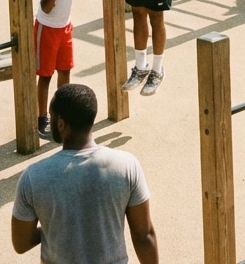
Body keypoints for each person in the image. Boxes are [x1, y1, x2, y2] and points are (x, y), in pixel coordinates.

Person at [11, 83, 158, 263]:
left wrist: (54, 225)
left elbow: (21, 243)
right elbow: (145, 237)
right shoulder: (127, 166)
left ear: (61, 123)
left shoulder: (33, 176)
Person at [32, 0, 97, 138]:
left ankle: (64, 111)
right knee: (45, 75)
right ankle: (42, 116)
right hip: (48, 28)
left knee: (65, 71)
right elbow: (47, 8)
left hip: (65, 28)